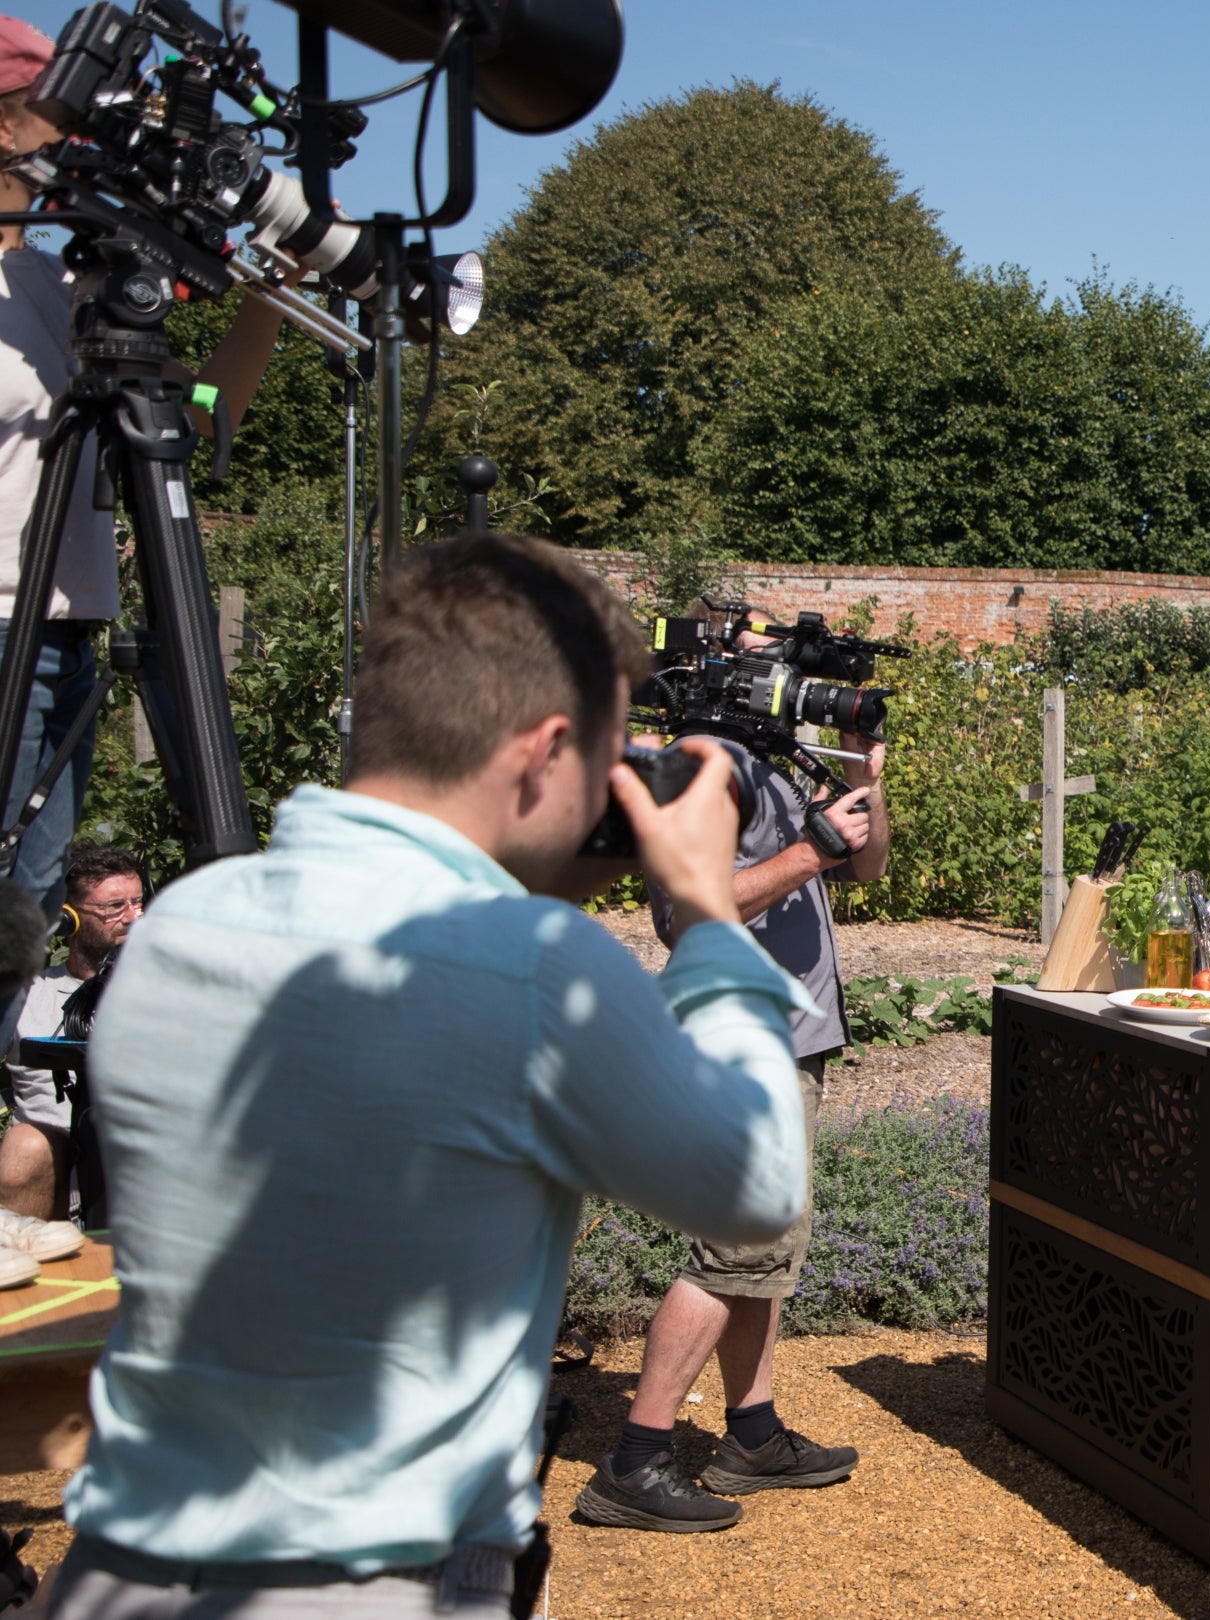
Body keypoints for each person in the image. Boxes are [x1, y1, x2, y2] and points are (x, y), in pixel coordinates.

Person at [44, 535, 815, 1619]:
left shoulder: (177, 930)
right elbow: (756, 1181)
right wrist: (708, 915)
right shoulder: (538, 971)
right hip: (377, 1586)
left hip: (120, 1572)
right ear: (545, 755)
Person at [575, 608, 889, 1534]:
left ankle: (751, 1434)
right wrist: (812, 850)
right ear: (724, 673)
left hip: (789, 1037)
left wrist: (865, 775)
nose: (794, 679)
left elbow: (867, 870)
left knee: (765, 1255)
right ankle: (635, 1460)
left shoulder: (777, 763)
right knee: (736, 1252)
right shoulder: (709, 762)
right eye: (772, 662)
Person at [0, 13, 288, 909]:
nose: (85, 127)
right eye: (62, 108)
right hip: (4, 625)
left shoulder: (64, 291)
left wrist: (269, 303)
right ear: (8, 127)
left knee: (35, 898)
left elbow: (205, 414)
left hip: (71, 632)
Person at [0, 840, 138, 1222]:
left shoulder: (169, 996)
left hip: (133, 1181)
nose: (132, 918)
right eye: (114, 907)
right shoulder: (26, 996)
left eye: (138, 902)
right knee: (27, 1144)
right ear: (68, 917)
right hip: (51, 1190)